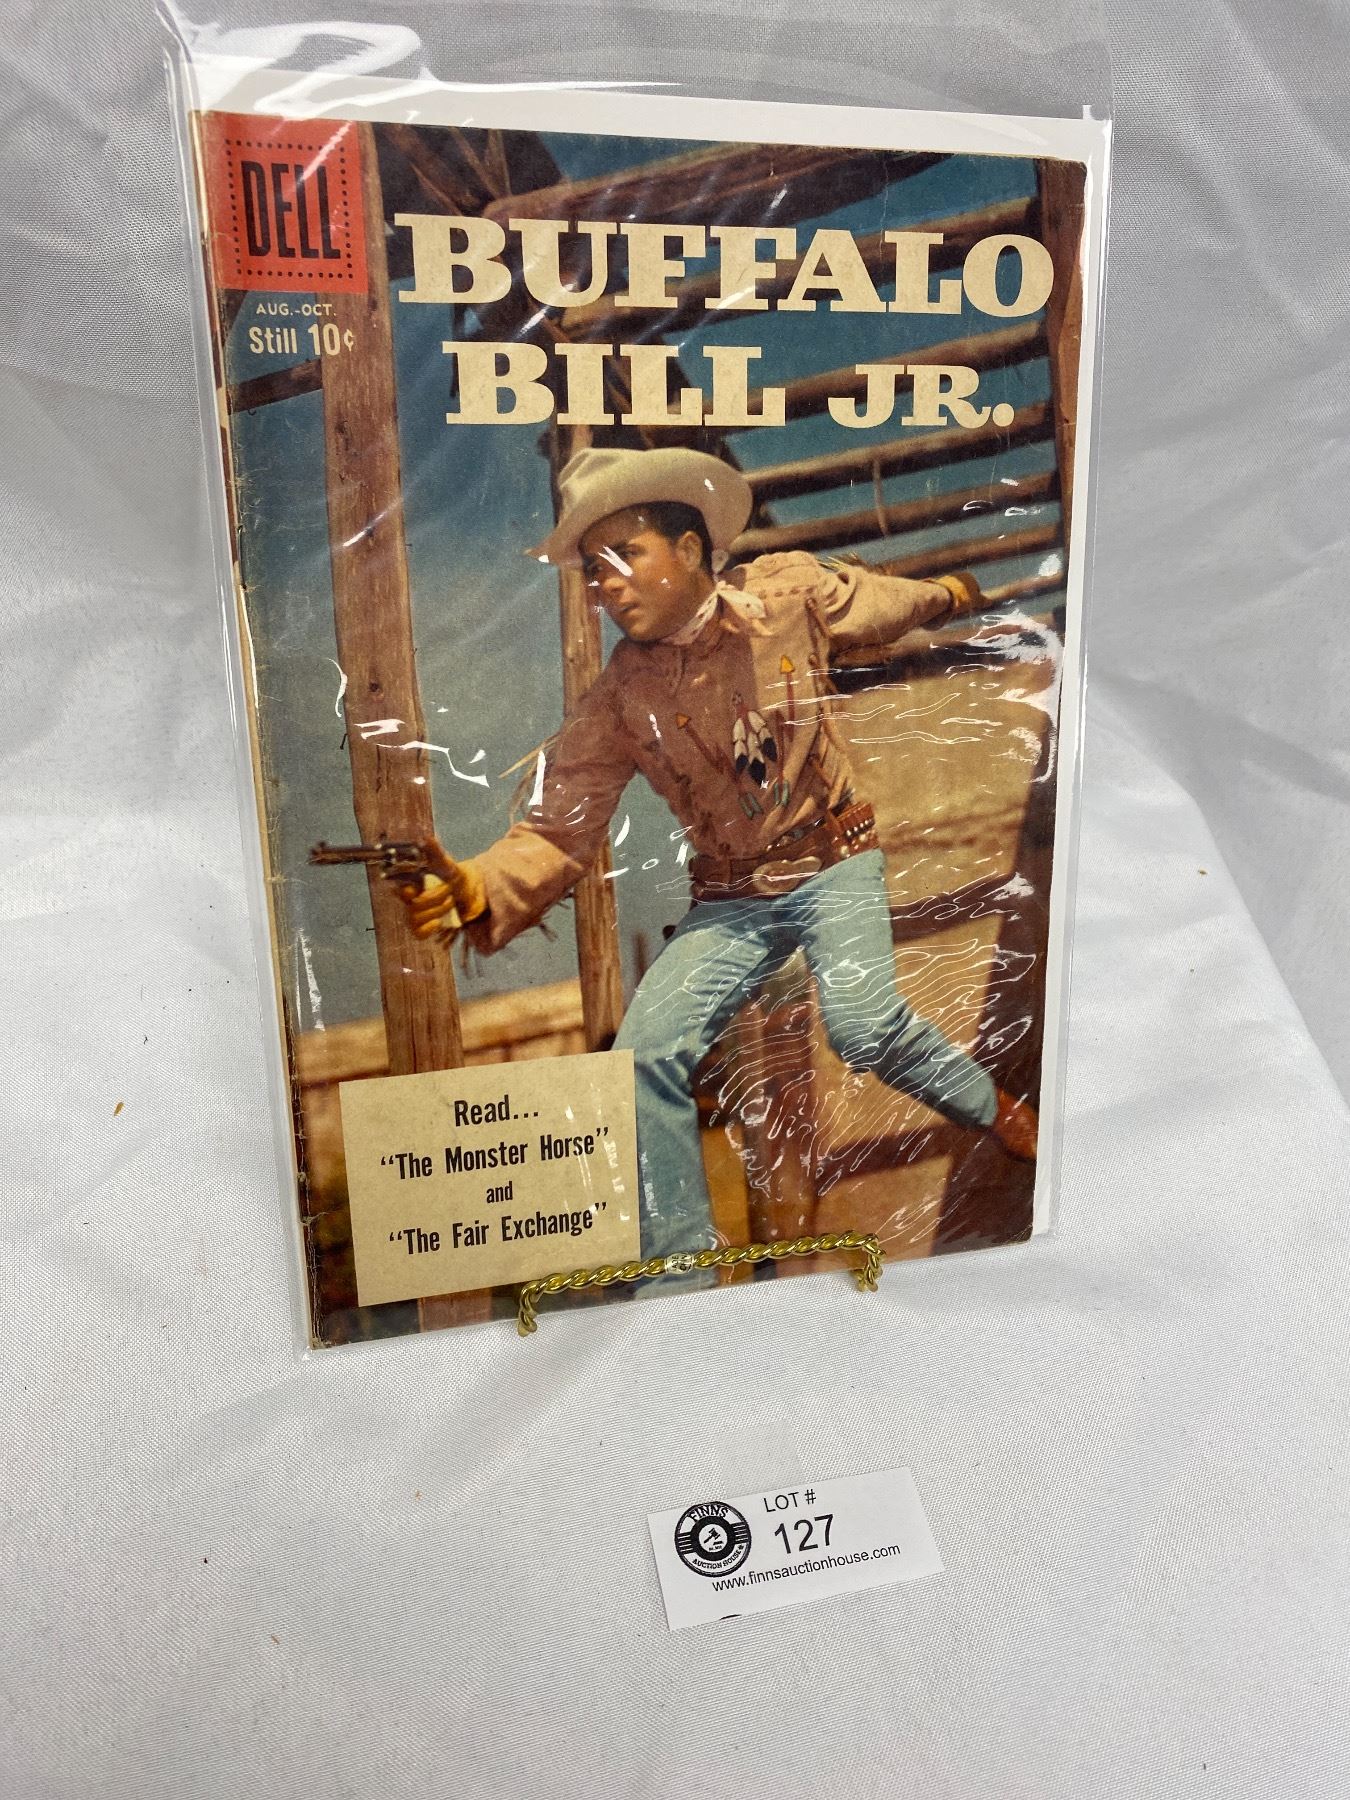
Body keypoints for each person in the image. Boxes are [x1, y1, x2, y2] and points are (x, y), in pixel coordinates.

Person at [400, 446, 1039, 1264]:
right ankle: (676, 1277)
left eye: (625, 555)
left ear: (690, 549)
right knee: (637, 1061)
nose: (607, 586)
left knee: (863, 1028)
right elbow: (558, 827)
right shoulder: (620, 697)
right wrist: (478, 888)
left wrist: (950, 592)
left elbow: (879, 603)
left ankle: (992, 1106)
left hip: (833, 861)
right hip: (731, 904)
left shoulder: (788, 596)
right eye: (593, 572)